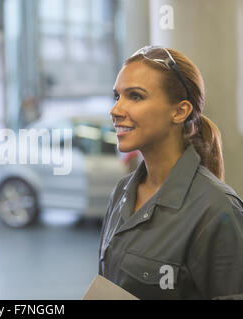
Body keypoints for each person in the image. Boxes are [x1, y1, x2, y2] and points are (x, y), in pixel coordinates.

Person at [99, 45, 243, 299]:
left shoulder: (218, 209)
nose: (116, 110)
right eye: (117, 96)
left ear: (180, 111)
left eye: (135, 96)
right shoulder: (122, 192)